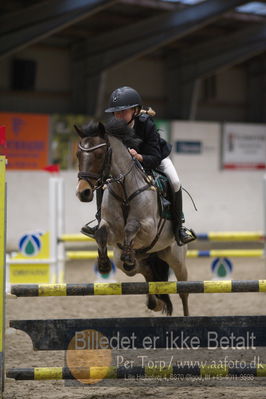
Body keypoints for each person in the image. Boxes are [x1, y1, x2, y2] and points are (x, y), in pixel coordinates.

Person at [81, 86, 196, 246]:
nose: (118, 116)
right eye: (115, 112)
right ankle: (99, 222)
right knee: (102, 183)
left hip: (153, 158)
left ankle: (179, 227)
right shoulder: (112, 128)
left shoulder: (146, 124)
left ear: (135, 111)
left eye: (123, 112)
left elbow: (155, 157)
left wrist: (139, 156)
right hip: (127, 168)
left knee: (175, 181)